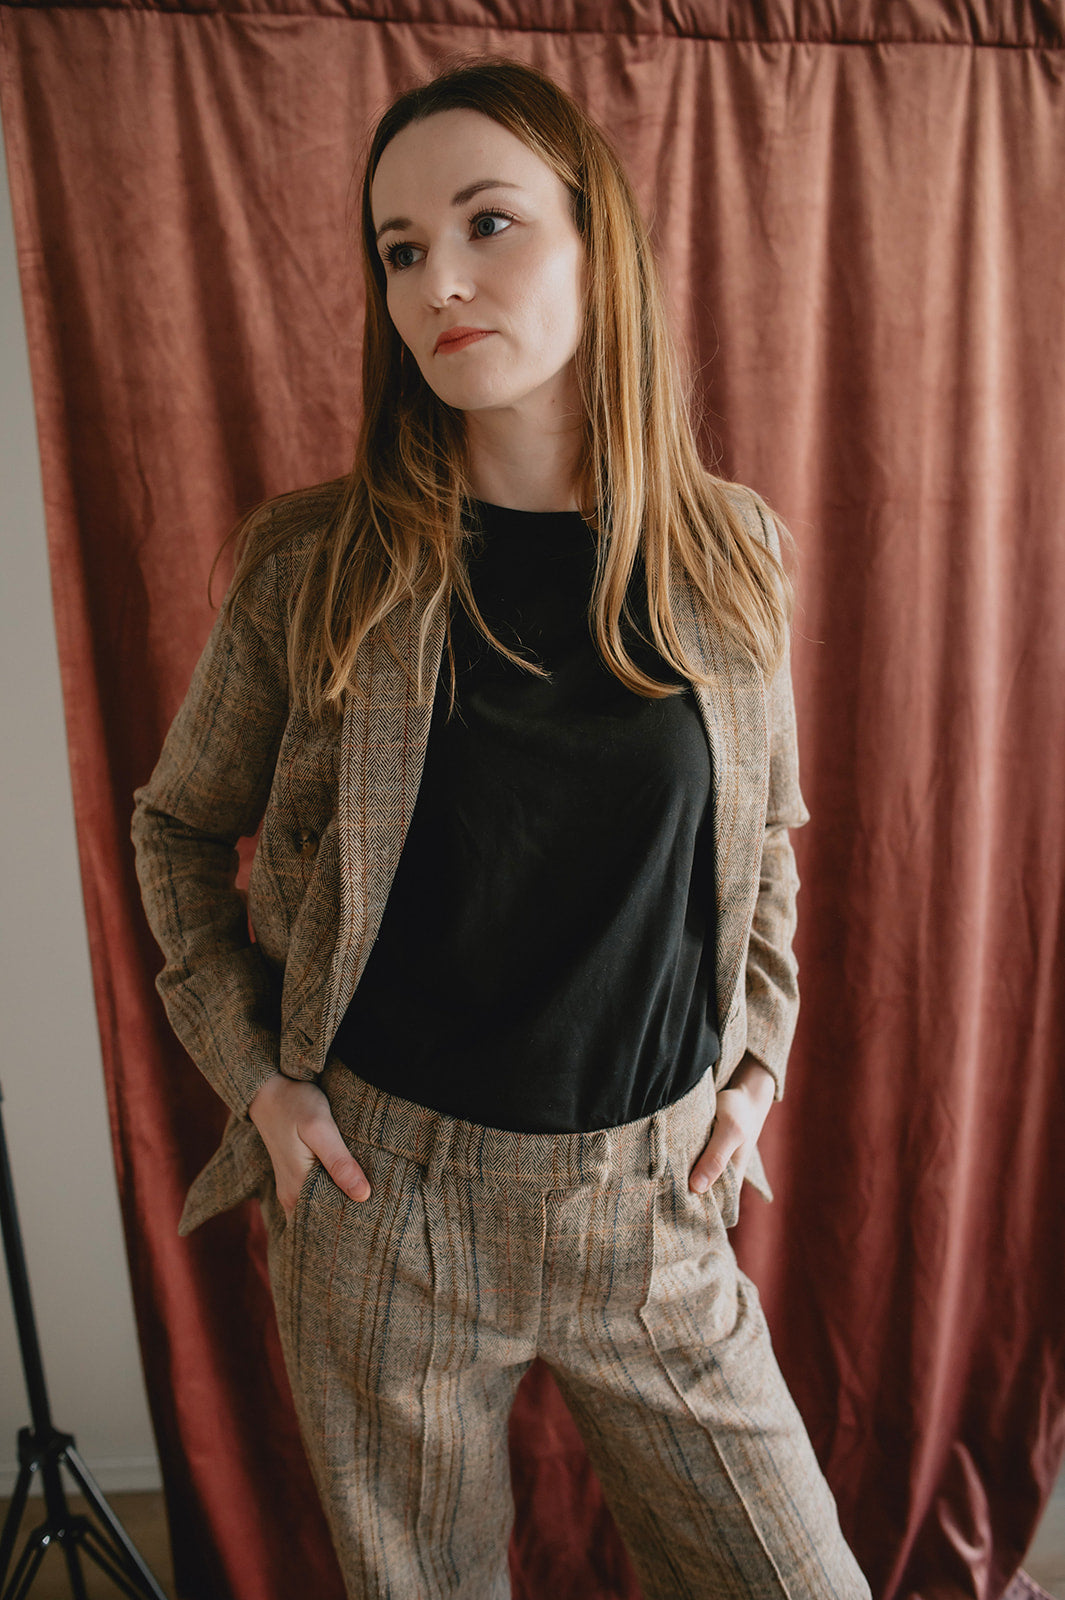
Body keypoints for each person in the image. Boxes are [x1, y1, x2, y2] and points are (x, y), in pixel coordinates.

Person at [132, 53, 872, 1600]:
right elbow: (179, 831)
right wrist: (258, 1083)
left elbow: (763, 845)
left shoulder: (730, 553)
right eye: (400, 250)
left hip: (651, 1209)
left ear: (598, 243)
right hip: (383, 1203)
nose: (438, 284)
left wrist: (755, 1064)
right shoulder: (314, 568)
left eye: (488, 223)